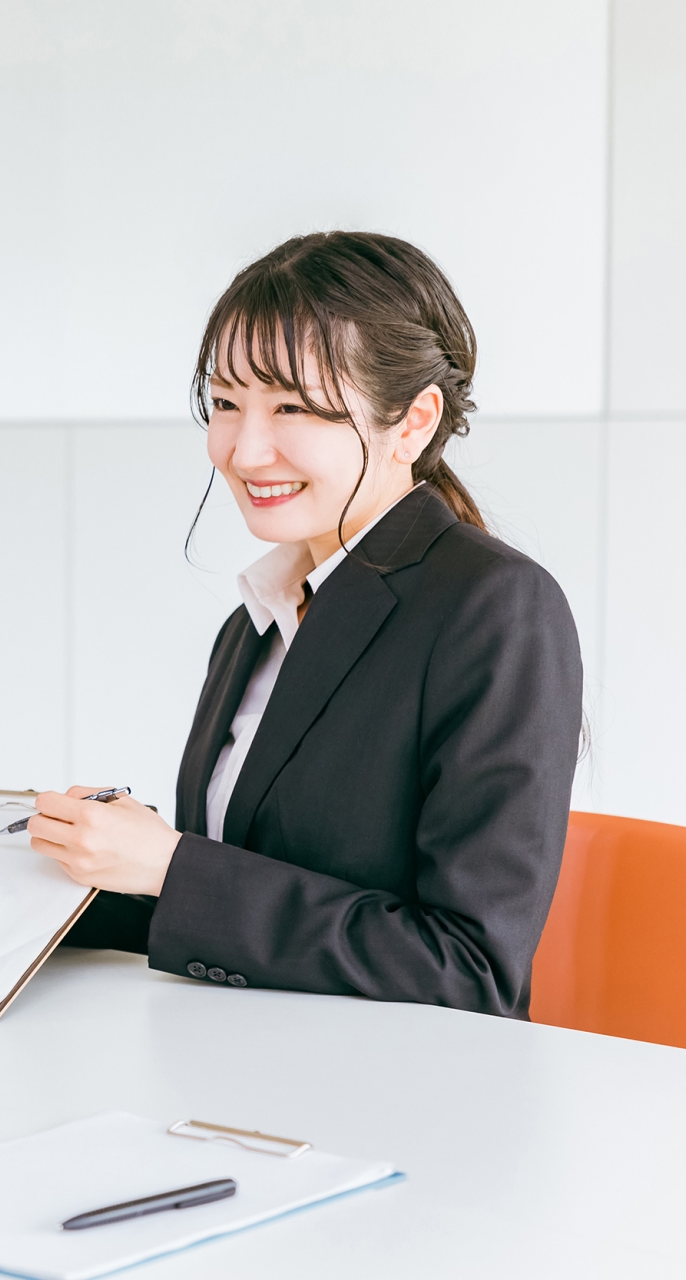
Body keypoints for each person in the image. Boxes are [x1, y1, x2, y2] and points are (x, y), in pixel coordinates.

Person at [40, 232, 582, 1018]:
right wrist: (25, 880)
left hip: (398, 1106)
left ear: (413, 422)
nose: (244, 449)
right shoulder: (256, 619)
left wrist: (174, 867)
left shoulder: (497, 608)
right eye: (226, 404)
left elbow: (470, 970)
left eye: (292, 406)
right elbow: (239, 903)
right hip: (241, 1079)